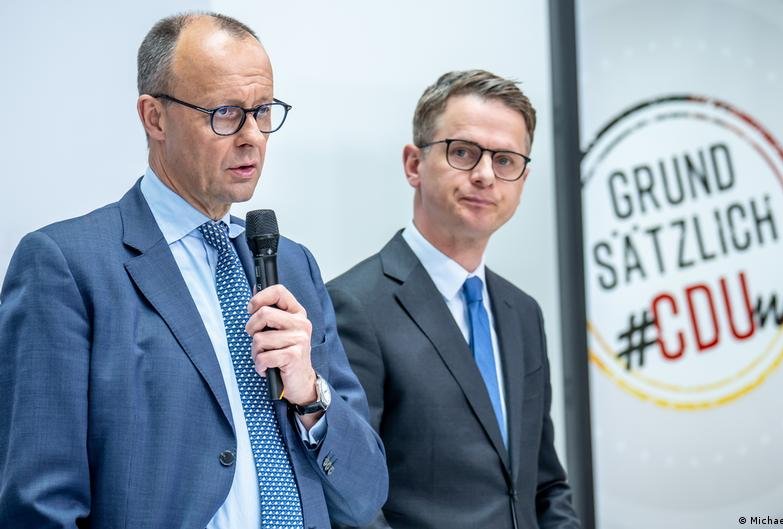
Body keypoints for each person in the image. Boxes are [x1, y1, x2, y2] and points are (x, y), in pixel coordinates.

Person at [0, 12, 386, 529]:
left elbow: (366, 494)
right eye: (225, 113)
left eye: (263, 111)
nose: (252, 136)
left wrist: (312, 394)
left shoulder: (293, 265)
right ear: (154, 117)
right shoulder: (67, 266)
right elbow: (40, 505)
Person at [327, 70, 581, 529]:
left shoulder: (522, 312)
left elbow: (543, 484)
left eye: (506, 160)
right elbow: (351, 497)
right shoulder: (352, 305)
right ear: (413, 164)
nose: (485, 175)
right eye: (463, 152)